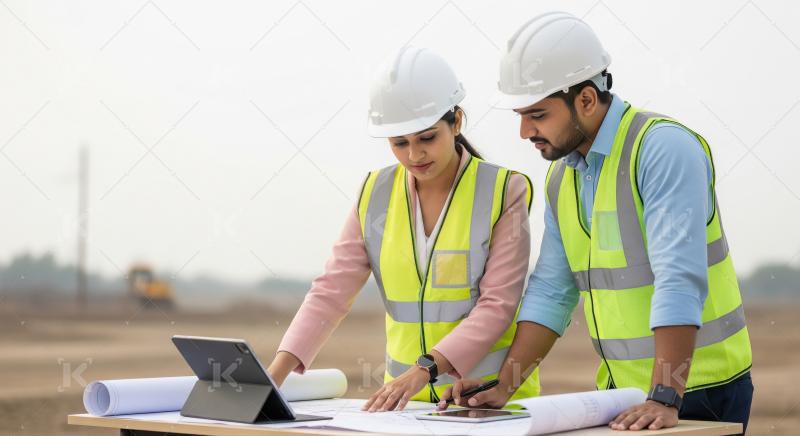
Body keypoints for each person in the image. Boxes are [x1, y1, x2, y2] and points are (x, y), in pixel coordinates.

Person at [442, 12, 753, 433]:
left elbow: (678, 278)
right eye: (520, 115)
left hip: (699, 392)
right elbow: (552, 291)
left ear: (586, 100)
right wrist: (506, 384)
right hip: (622, 395)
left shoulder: (662, 148)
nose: (524, 131)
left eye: (537, 114)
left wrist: (665, 395)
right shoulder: (562, 176)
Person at [267, 46, 540, 412]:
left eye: (427, 138)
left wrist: (424, 369)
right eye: (400, 143)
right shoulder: (374, 193)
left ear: (456, 122)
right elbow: (331, 291)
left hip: (486, 403)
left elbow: (498, 305)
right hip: (405, 408)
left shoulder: (504, 190)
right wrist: (273, 378)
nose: (414, 155)